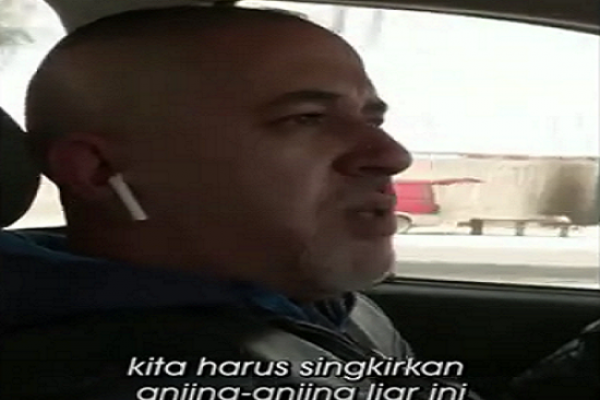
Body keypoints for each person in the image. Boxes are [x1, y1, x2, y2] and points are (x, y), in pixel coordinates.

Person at [0, 5, 596, 400]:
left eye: (371, 118)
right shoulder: (99, 374)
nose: (391, 155)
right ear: (101, 171)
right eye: (305, 118)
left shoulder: (313, 305)